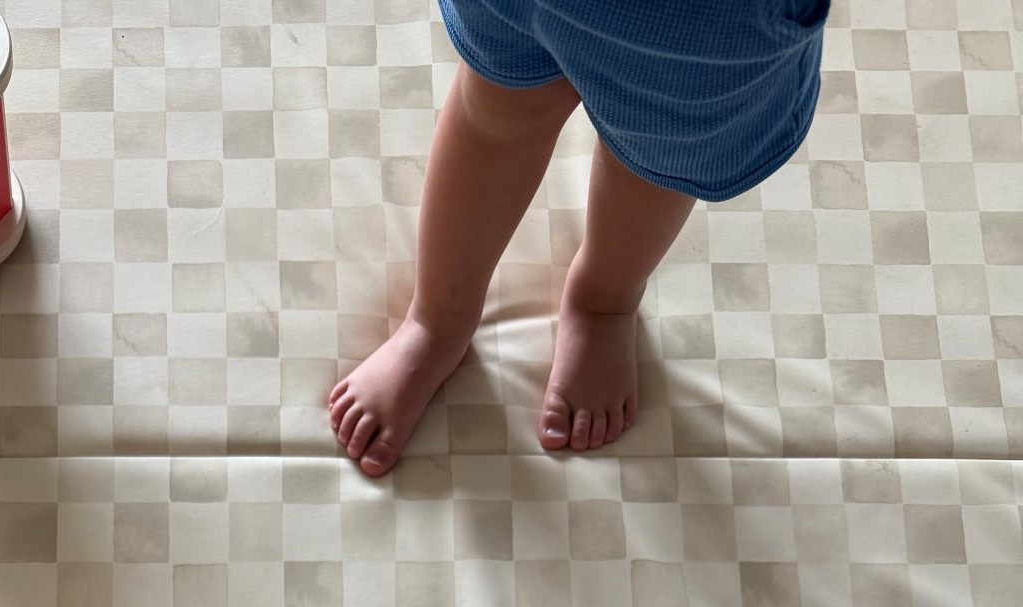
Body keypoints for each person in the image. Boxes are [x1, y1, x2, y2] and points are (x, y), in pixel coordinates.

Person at [329, 0, 829, 475]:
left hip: (704, 22)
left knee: (656, 159)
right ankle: (436, 321)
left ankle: (603, 302)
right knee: (498, 106)